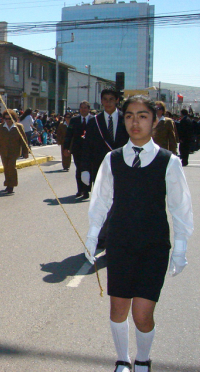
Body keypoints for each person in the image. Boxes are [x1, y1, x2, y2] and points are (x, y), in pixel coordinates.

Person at [84, 95, 193, 372]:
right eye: (130, 115)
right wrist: (92, 236)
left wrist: (180, 248)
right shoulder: (113, 159)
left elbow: (180, 208)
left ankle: (143, 359)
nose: (136, 122)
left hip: (153, 246)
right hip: (120, 244)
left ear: (154, 120)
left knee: (142, 315)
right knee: (118, 310)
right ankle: (122, 360)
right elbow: (101, 201)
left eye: (143, 116)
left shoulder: (169, 162)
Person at [0, 109, 28, 194]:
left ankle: (11, 185)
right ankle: (7, 183)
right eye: (6, 118)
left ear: (13, 118)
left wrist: (25, 152)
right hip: (3, 151)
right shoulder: (1, 127)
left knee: (11, 167)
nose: (8, 120)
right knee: (6, 168)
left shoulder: (18, 127)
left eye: (9, 118)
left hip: (14, 151)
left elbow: (24, 140)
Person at [64, 101, 92, 198]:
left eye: (85, 108)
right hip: (77, 149)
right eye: (81, 107)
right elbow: (69, 135)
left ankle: (86, 190)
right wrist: (66, 148)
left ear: (89, 109)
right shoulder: (74, 120)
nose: (83, 109)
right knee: (79, 169)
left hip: (90, 150)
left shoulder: (94, 120)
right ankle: (80, 190)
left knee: (88, 169)